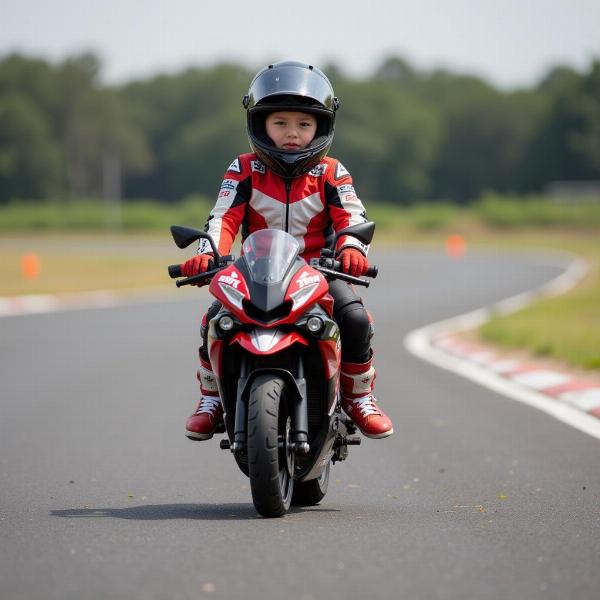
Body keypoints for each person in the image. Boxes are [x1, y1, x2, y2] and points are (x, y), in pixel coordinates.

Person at [180, 61, 394, 441]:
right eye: (280, 123)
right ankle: (211, 397)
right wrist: (208, 251)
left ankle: (360, 395)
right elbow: (222, 217)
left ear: (321, 127)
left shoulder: (333, 172)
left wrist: (351, 248)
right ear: (259, 124)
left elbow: (352, 216)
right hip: (254, 271)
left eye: (303, 124)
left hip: (320, 274)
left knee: (356, 320)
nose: (292, 134)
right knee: (214, 317)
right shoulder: (242, 169)